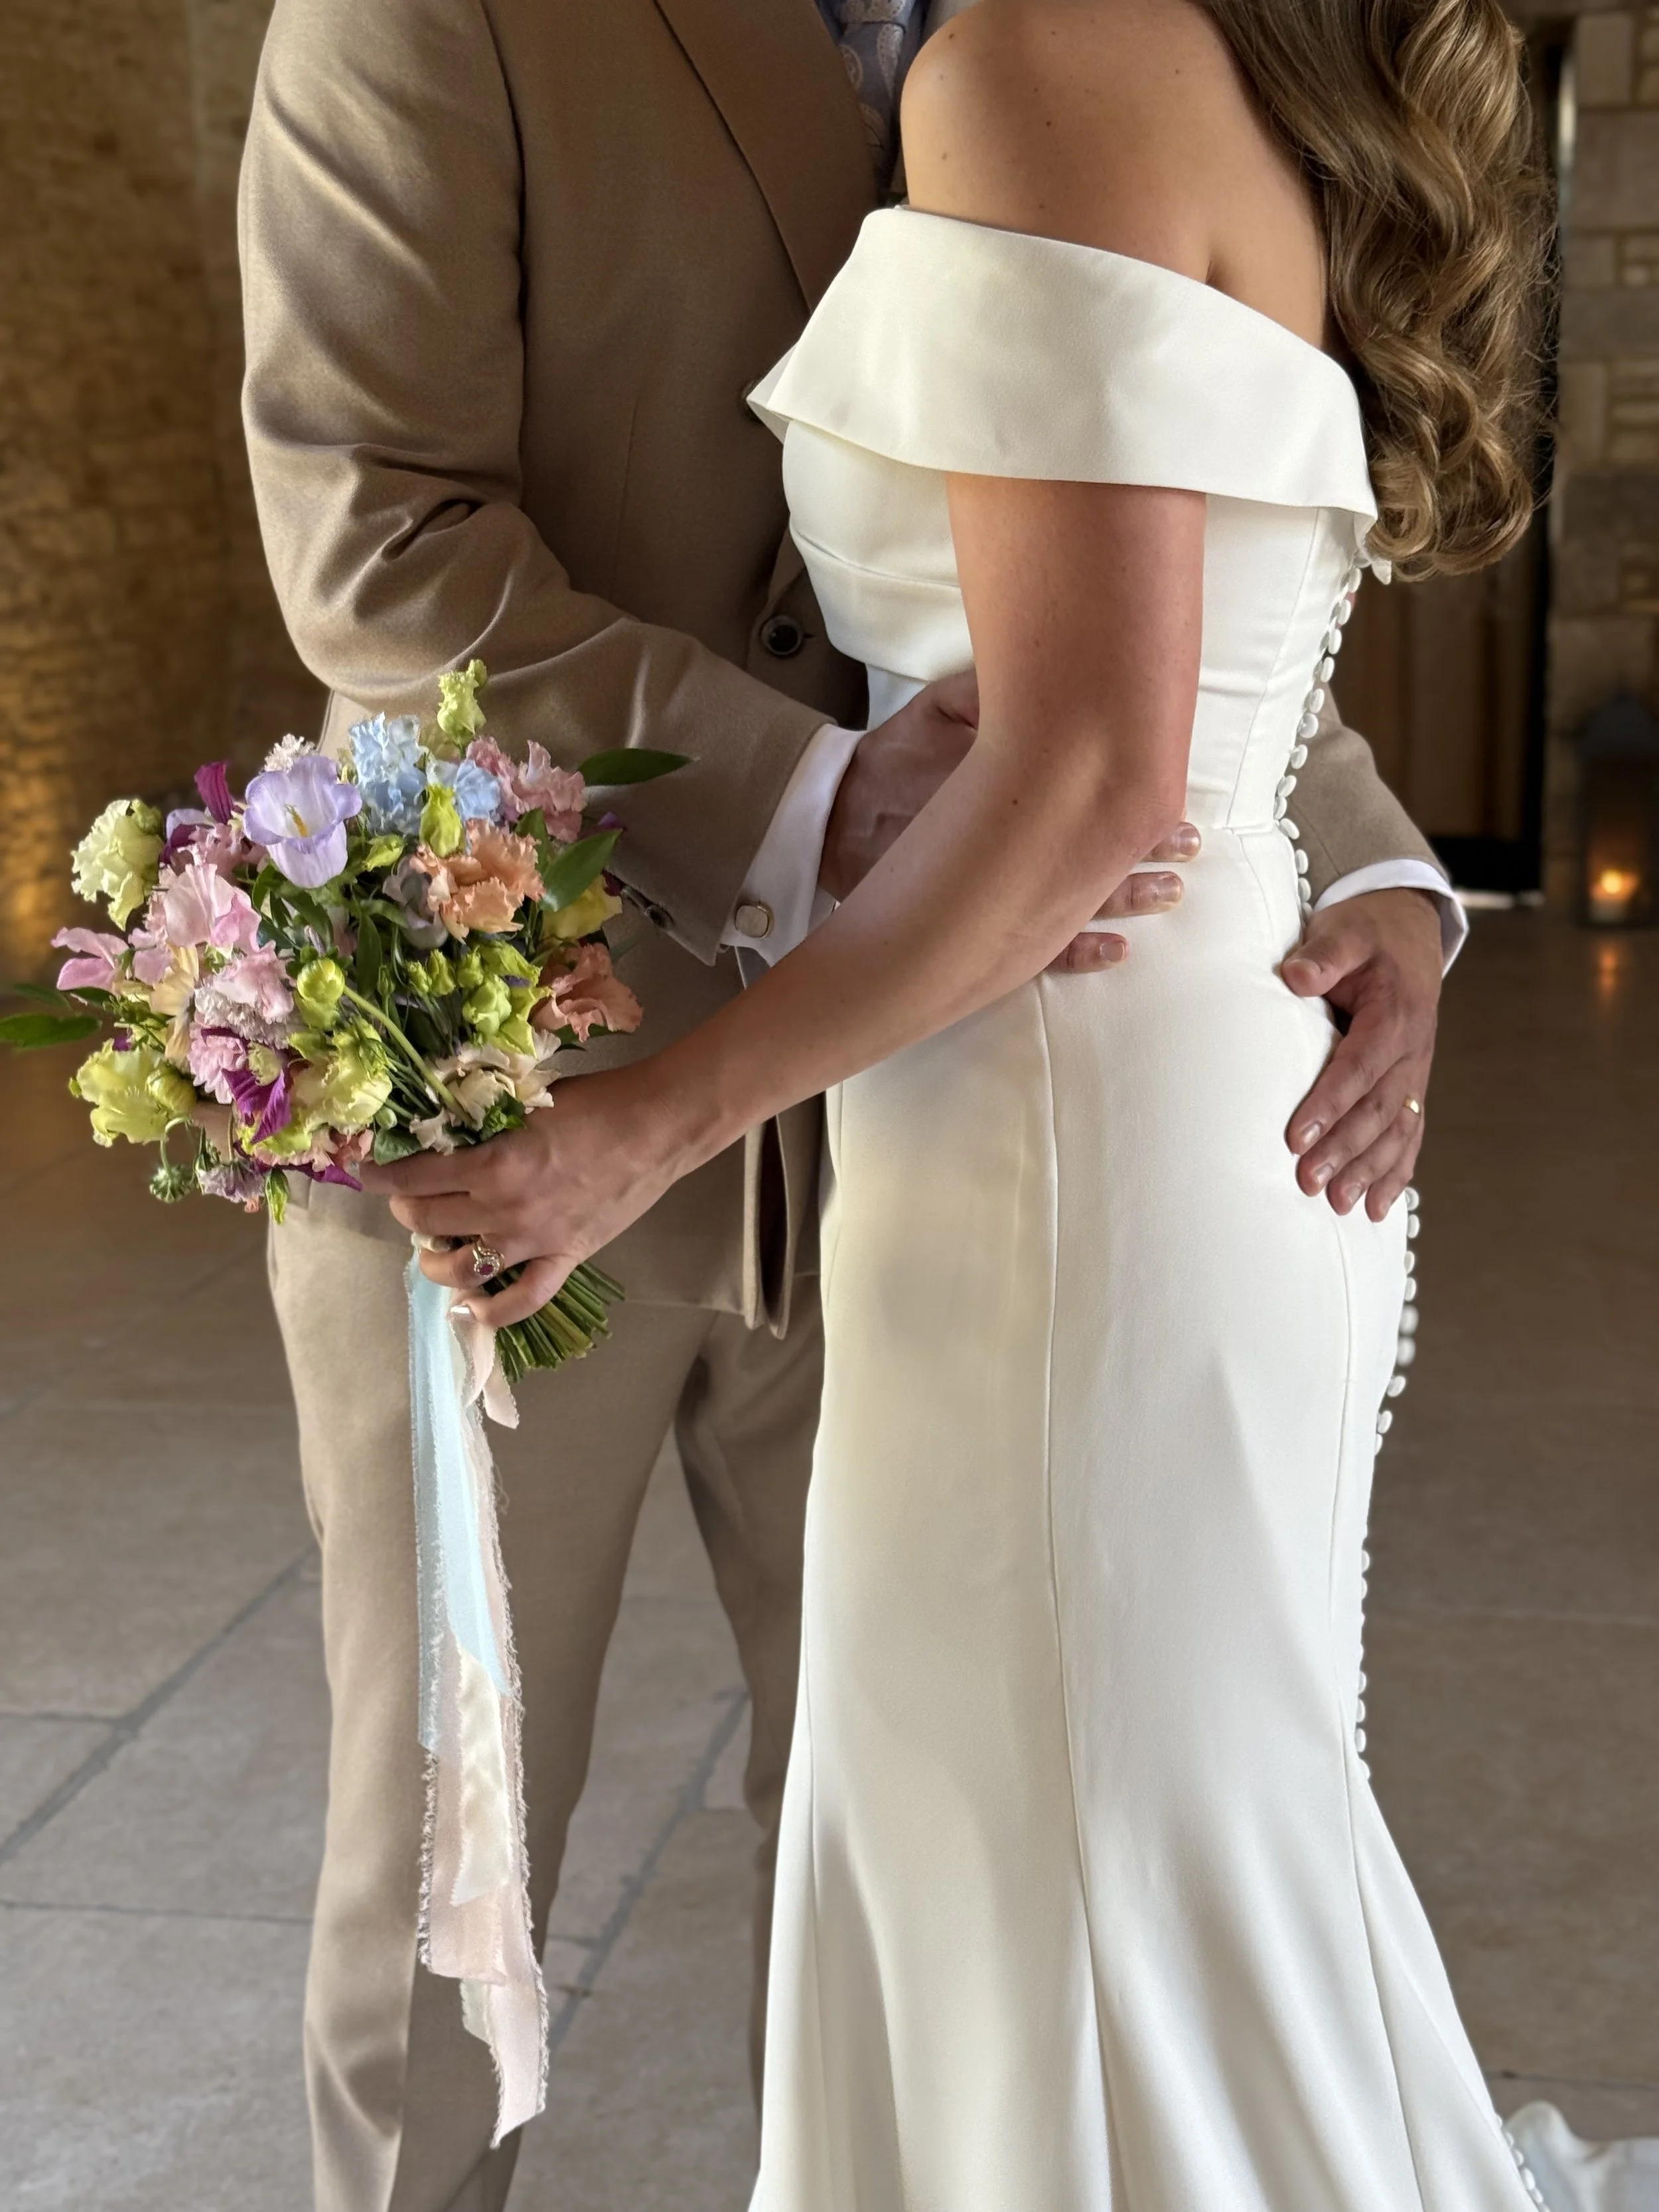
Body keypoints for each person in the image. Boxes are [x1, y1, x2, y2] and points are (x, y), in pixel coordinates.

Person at [240, 0, 1464, 2201]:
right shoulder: (421, 19)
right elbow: (373, 532)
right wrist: (801, 794)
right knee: (451, 1874)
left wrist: (1368, 860)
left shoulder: (1071, 34)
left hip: (978, 1122)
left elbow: (1132, 513)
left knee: (948, 1841)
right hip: (553, 1087)